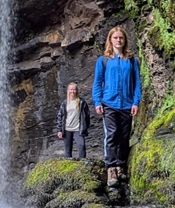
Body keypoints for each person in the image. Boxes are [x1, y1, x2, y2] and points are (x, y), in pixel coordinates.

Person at [92, 26, 142, 188]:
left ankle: (121, 166)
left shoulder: (132, 60)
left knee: (124, 136)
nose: (118, 40)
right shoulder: (103, 60)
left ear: (124, 40)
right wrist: (97, 102)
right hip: (109, 103)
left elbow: (137, 84)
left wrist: (136, 102)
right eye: (115, 38)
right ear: (110, 40)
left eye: (121, 38)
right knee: (112, 134)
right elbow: (97, 82)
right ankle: (111, 168)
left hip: (127, 104)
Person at [56, 82, 91, 159]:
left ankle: (83, 163)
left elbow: (87, 116)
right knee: (68, 150)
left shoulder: (82, 102)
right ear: (68, 91)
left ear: (77, 91)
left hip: (78, 129)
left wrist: (85, 127)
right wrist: (59, 130)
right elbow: (60, 116)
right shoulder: (64, 103)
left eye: (74, 89)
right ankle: (69, 166)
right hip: (67, 129)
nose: (72, 91)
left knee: (82, 146)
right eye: (71, 89)